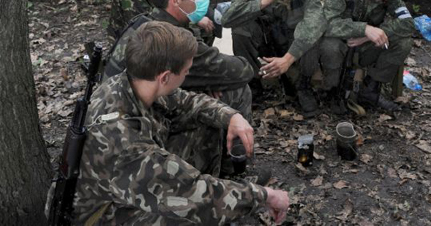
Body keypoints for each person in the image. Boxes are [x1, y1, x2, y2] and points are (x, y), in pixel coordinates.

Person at [68, 21, 289, 224]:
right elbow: (193, 192)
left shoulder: (133, 80)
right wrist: (264, 196)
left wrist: (231, 117)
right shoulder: (124, 141)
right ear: (164, 77)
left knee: (204, 122)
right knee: (191, 211)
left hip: (128, 183)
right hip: (108, 215)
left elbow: (188, 101)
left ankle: (226, 192)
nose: (188, 74)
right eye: (185, 71)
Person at [104, 0, 254, 124]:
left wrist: (208, 80)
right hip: (136, 126)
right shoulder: (172, 39)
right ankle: (237, 148)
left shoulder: (146, 21)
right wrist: (213, 80)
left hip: (120, 112)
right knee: (237, 91)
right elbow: (243, 70)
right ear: (175, 0)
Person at [221, 0, 327, 118]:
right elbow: (227, 18)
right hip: (265, 41)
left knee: (312, 33)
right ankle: (252, 85)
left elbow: (315, 23)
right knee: (241, 28)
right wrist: (263, 1)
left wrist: (288, 59)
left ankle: (303, 87)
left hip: (293, 44)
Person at [320, 0, 414, 112]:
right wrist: (364, 29)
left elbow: (408, 23)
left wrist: (377, 32)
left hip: (366, 47)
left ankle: (370, 90)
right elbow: (329, 24)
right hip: (342, 46)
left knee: (404, 42)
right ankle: (331, 89)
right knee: (330, 46)